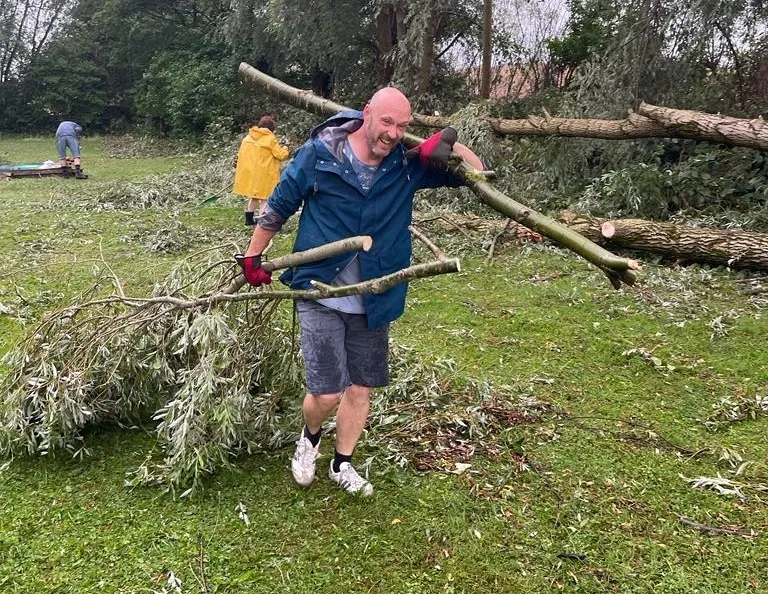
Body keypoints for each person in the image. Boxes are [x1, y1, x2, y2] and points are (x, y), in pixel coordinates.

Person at [237, 87, 483, 496]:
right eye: (387, 122)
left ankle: (342, 463)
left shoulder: (406, 165)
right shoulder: (320, 155)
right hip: (319, 288)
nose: (393, 133)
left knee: (361, 387)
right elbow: (279, 206)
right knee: (327, 390)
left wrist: (450, 143)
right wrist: (253, 257)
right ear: (366, 113)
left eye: (403, 126)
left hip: (376, 294)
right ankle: (310, 438)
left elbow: (480, 173)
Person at [233, 115, 291, 226]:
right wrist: (285, 148)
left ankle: (249, 220)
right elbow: (280, 155)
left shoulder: (248, 138)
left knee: (254, 196)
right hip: (266, 173)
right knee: (266, 198)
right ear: (271, 128)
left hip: (252, 173)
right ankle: (262, 221)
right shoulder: (270, 138)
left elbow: (241, 155)